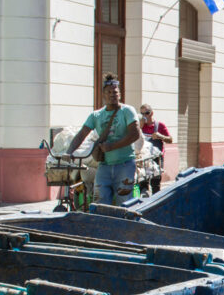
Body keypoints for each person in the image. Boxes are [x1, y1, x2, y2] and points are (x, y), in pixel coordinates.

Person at [64, 73, 140, 205]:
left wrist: (112, 146)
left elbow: (135, 134)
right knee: (99, 202)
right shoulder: (96, 115)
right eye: (109, 92)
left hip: (125, 164)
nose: (112, 95)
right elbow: (82, 134)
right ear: (103, 95)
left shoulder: (128, 111)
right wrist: (69, 152)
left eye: (115, 92)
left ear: (120, 94)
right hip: (104, 166)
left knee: (125, 204)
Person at [138, 104, 173, 195]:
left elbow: (170, 139)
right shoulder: (140, 126)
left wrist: (161, 136)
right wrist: (139, 127)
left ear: (152, 113)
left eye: (147, 113)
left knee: (155, 183)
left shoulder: (159, 125)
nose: (144, 116)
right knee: (142, 182)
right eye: (142, 114)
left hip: (156, 158)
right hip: (144, 158)